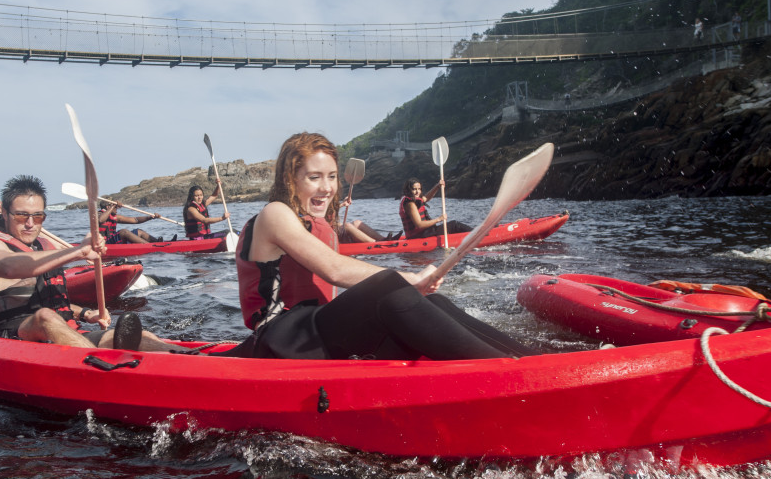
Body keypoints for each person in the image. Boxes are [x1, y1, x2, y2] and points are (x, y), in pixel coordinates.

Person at [223, 132, 534, 361]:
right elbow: (334, 269)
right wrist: (409, 278)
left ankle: (527, 359)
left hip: (319, 337)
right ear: (289, 179)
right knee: (390, 286)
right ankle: (506, 373)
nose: (327, 187)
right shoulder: (275, 214)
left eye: (332, 177)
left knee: (431, 301)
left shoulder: (319, 224)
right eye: (314, 177)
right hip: (282, 339)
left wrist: (413, 288)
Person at [0, 175, 173, 351]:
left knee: (143, 337)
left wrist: (85, 313)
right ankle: (100, 367)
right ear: (5, 214)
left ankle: (187, 359)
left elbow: (48, 300)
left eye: (37, 216)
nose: (30, 224)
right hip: (13, 340)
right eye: (21, 216)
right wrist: (77, 252)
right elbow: (9, 266)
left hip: (65, 335)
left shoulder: (44, 245)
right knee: (45, 317)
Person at [399, 178, 472, 239]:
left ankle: (471, 235)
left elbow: (426, 198)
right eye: (414, 189)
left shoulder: (414, 200)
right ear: (408, 190)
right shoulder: (410, 204)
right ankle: (476, 235)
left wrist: (437, 186)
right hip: (420, 235)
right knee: (454, 225)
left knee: (452, 227)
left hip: (423, 232)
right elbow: (419, 224)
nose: (417, 192)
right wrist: (439, 219)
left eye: (419, 189)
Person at [99, 201, 163, 244]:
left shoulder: (116, 217)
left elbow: (135, 220)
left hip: (112, 240)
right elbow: (101, 220)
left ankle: (157, 243)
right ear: (108, 207)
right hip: (104, 243)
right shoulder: (98, 214)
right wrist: (112, 206)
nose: (117, 208)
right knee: (123, 232)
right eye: (115, 207)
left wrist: (150, 217)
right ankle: (150, 246)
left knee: (139, 231)